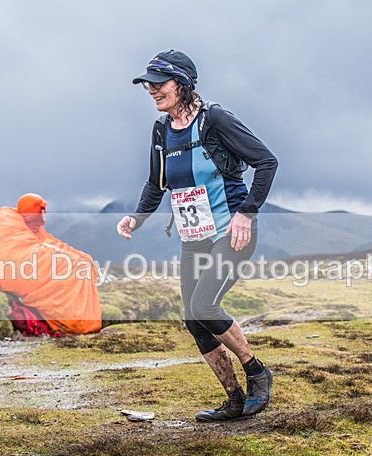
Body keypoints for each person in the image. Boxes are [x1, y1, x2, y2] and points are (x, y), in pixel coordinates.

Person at [116, 50, 279, 422]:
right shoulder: (161, 130)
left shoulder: (215, 119)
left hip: (231, 234)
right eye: (148, 84)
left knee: (205, 306)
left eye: (159, 83)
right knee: (193, 319)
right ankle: (235, 399)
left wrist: (246, 213)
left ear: (183, 84)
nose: (152, 90)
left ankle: (257, 372)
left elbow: (267, 161)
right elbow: (157, 183)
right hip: (195, 236)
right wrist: (137, 218)